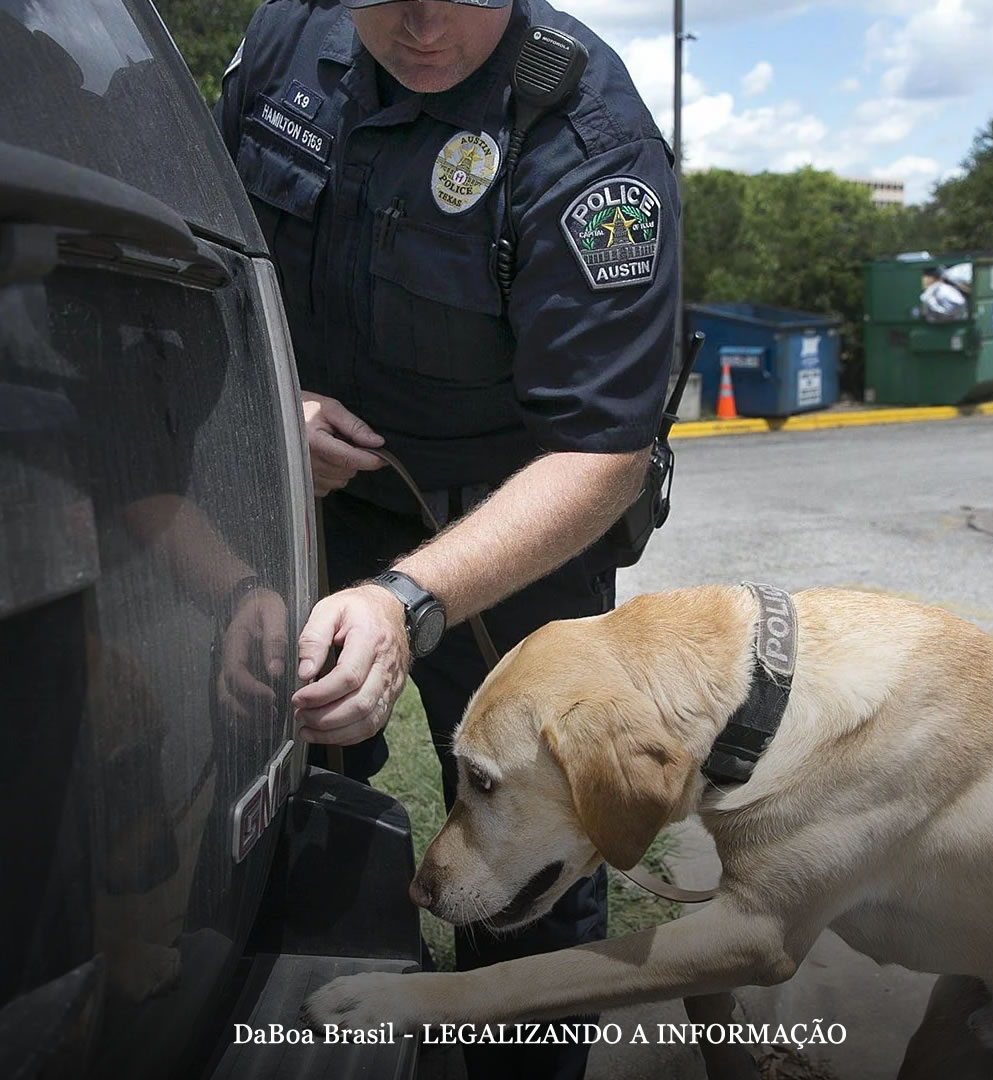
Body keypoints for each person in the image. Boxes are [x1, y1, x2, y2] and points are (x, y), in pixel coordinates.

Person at [215, 1, 679, 1076]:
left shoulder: (588, 138)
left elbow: (602, 452)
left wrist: (406, 601)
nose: (421, 24)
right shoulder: (286, 43)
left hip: (520, 531)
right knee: (284, 789)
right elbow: (213, 261)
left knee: (522, 845)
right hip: (307, 498)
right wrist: (272, 396)